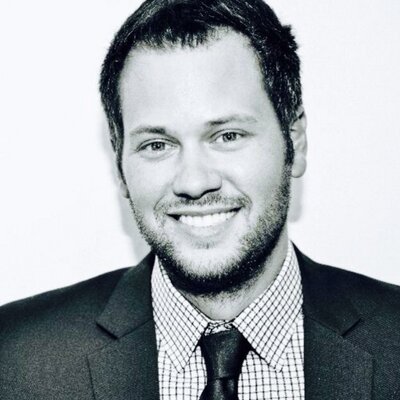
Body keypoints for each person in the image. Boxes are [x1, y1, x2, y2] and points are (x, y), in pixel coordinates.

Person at [1, 0, 399, 398]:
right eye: (157, 144)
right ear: (119, 164)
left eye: (227, 136)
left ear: (294, 141)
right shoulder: (15, 360)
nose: (193, 182)